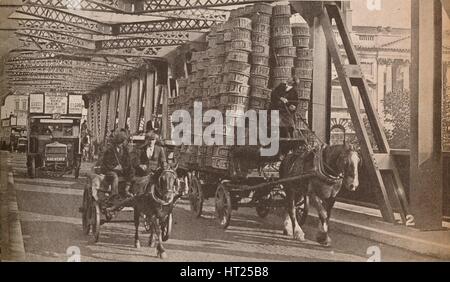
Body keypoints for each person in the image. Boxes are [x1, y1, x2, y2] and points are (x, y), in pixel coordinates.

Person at [100, 131, 134, 198]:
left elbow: (128, 161)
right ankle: (114, 195)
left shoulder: (125, 150)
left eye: (122, 142)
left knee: (131, 171)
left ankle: (127, 190)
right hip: (110, 170)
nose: (121, 144)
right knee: (114, 176)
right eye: (120, 143)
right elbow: (106, 162)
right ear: (116, 142)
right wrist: (115, 167)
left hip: (121, 170)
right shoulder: (110, 150)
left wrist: (124, 167)